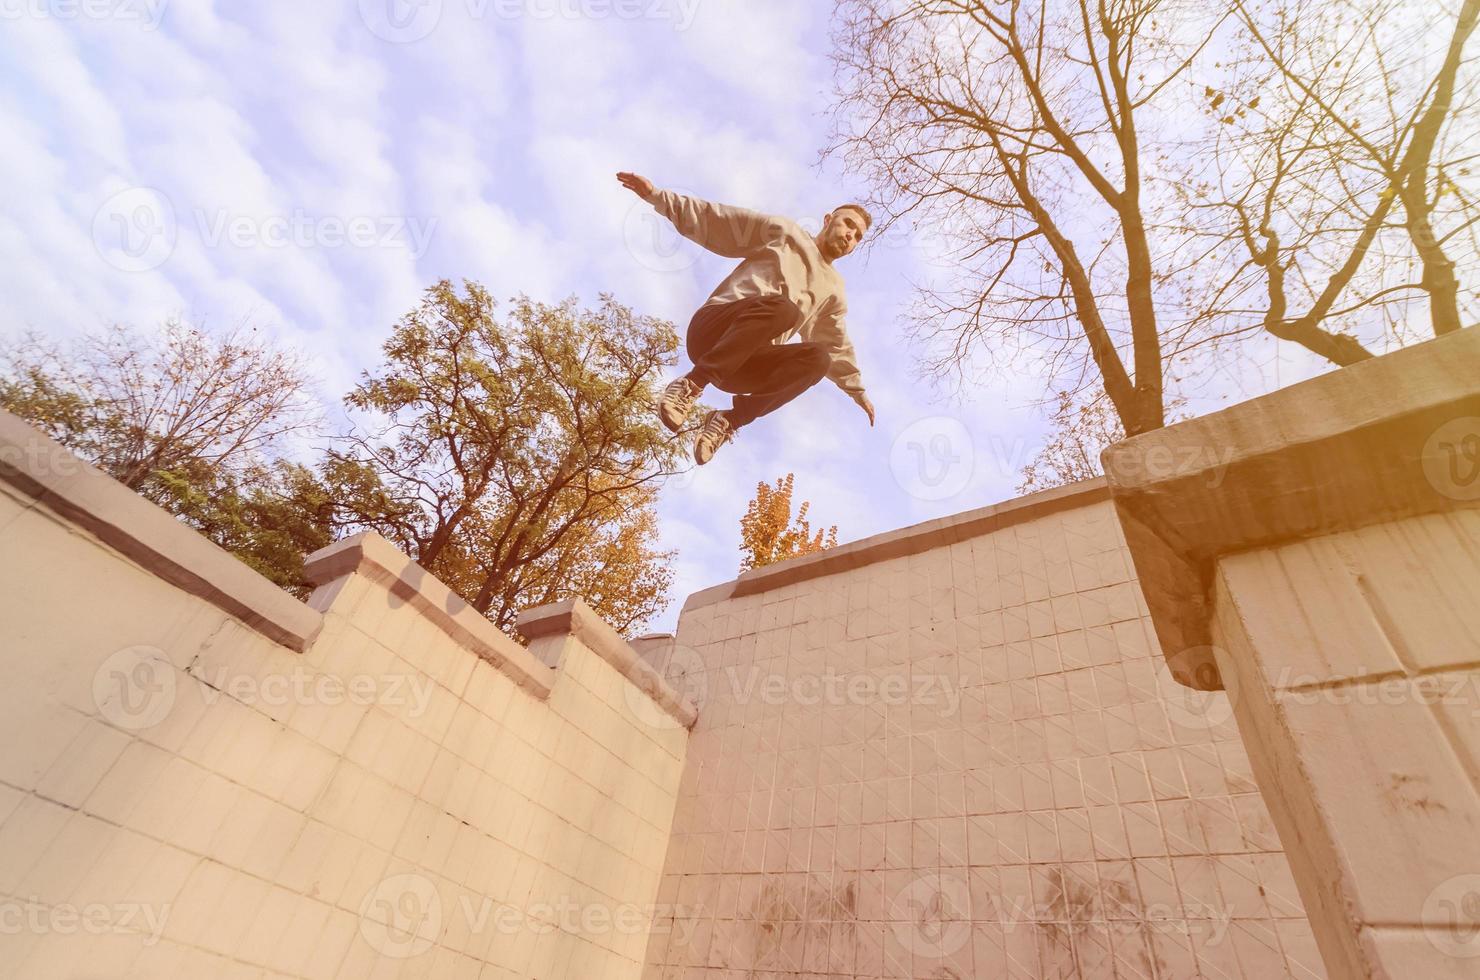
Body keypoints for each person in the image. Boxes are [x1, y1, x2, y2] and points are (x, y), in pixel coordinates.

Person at [616, 172, 875, 465]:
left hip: (741, 366)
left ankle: (728, 421)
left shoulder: (834, 291)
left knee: (819, 358)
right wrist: (658, 197)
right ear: (828, 220)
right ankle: (690, 385)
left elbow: (836, 342)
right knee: (786, 310)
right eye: (847, 224)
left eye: (857, 237)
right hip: (713, 330)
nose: (850, 236)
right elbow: (722, 221)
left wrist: (858, 392)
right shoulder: (785, 233)